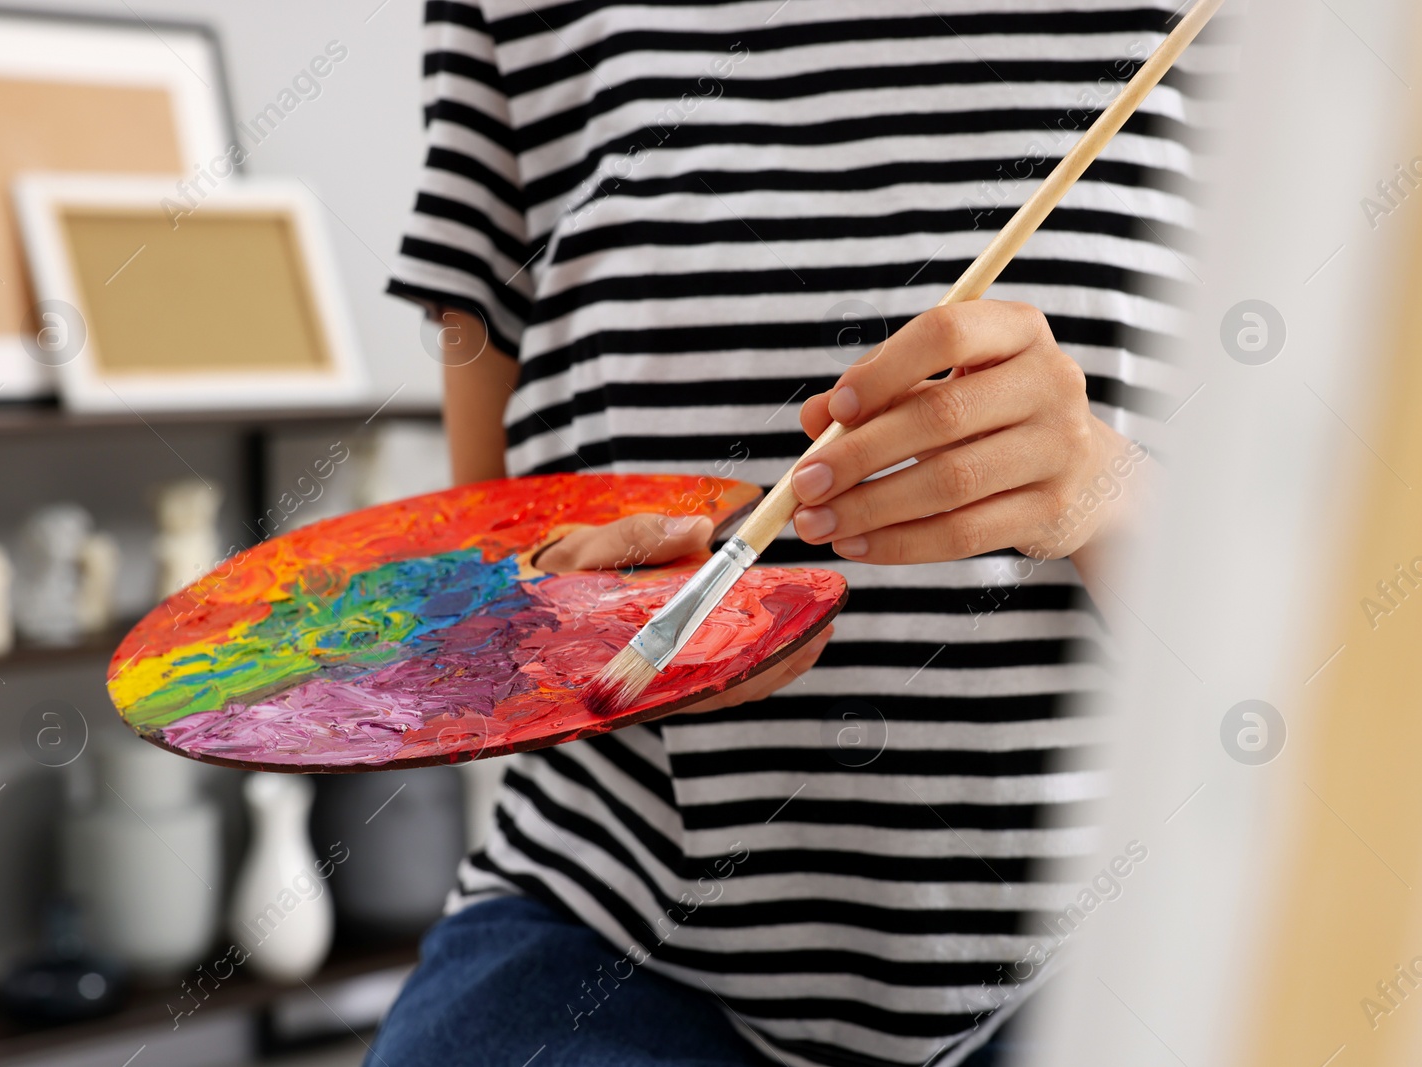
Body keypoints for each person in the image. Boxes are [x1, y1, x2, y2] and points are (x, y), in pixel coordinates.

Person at [370, 1, 1186, 1063]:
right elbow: (481, 559)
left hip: (1123, 951)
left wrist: (1100, 489)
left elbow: (1348, 651)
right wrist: (551, 611)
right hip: (614, 925)